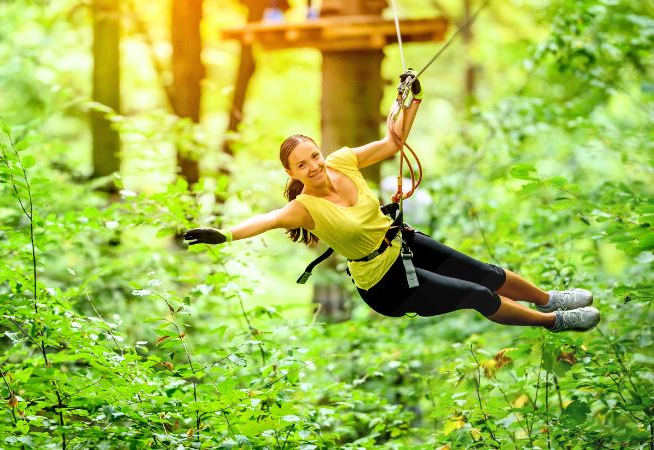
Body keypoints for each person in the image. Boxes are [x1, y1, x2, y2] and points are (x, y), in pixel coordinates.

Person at [184, 72, 600, 333]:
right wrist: (223, 235)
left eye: (314, 155)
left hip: (401, 242)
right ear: (292, 174)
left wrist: (411, 100)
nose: (313, 166)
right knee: (478, 294)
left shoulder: (343, 161)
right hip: (386, 284)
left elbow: (392, 142)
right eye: (301, 164)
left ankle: (548, 298)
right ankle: (554, 322)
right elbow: (266, 219)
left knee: (486, 273)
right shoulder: (304, 208)